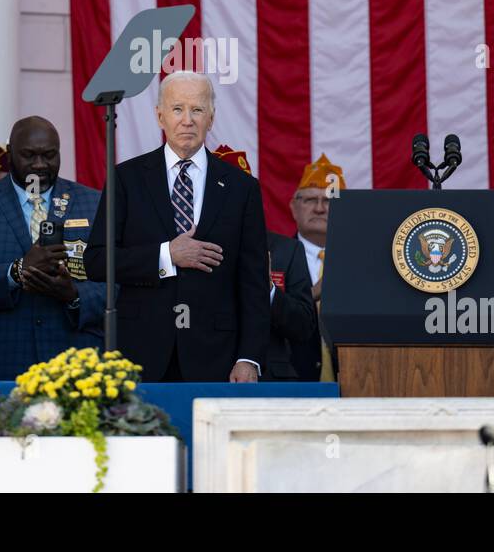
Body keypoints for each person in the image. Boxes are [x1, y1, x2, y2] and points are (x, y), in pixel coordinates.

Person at [85, 71, 269, 382]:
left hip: (217, 357)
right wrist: (167, 255)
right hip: (140, 352)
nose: (187, 120)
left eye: (197, 110)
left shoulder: (241, 187)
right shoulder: (126, 179)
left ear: (210, 119)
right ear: (160, 116)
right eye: (177, 109)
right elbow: (97, 261)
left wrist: (248, 357)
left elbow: (253, 282)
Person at [0, 117, 104, 380]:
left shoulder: (94, 203)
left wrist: (73, 294)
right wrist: (16, 272)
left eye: (49, 155)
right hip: (0, 363)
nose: (40, 165)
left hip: (77, 366)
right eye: (29, 155)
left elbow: (115, 285)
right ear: (11, 154)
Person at [214, 146, 316, 382]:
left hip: (269, 379)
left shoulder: (287, 249)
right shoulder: (188, 248)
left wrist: (267, 289)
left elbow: (303, 327)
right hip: (203, 376)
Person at [280, 154, 344, 381]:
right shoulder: (273, 257)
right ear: (293, 207)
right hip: (293, 383)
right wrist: (312, 294)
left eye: (328, 201)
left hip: (354, 384)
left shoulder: (362, 262)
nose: (319, 208)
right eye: (309, 200)